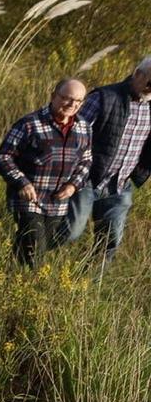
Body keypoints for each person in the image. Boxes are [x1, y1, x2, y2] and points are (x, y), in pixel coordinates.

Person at [0, 78, 92, 266]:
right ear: (53, 96)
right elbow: (3, 157)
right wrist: (22, 182)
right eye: (67, 99)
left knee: (33, 247)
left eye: (78, 101)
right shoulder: (29, 124)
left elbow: (86, 161)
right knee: (35, 248)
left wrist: (73, 186)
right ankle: (30, 281)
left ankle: (11, 275)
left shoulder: (84, 128)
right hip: (29, 199)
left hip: (58, 202)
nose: (72, 105)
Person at [71, 55, 151, 259]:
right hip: (87, 179)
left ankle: (89, 286)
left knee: (109, 242)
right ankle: (28, 253)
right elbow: (74, 136)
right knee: (71, 232)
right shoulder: (104, 97)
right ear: (137, 74)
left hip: (120, 184)